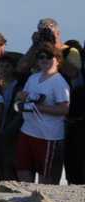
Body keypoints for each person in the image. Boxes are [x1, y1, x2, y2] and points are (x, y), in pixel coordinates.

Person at [16, 44, 71, 184]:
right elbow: (22, 98)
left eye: (49, 56)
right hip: (27, 130)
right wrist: (21, 98)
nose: (44, 59)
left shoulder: (59, 82)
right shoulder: (33, 78)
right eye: (41, 57)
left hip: (48, 136)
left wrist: (39, 107)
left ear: (58, 60)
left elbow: (64, 109)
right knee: (23, 171)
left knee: (46, 178)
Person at [0, 55, 24, 181]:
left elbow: (19, 112)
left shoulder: (18, 87)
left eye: (7, 66)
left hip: (12, 131)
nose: (3, 69)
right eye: (1, 66)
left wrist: (9, 129)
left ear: (13, 69)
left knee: (9, 165)